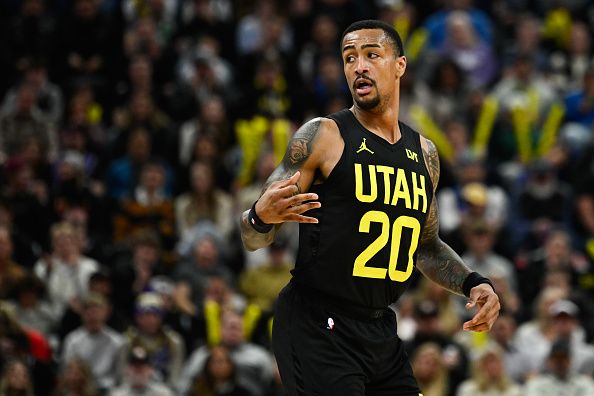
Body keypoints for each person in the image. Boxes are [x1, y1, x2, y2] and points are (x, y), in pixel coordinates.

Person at [239, 19, 500, 395]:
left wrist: (474, 283)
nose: (358, 66)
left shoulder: (424, 154)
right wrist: (260, 217)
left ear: (400, 66)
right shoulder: (324, 136)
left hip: (379, 330)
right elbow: (251, 235)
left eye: (371, 55)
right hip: (318, 322)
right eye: (349, 58)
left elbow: (425, 246)